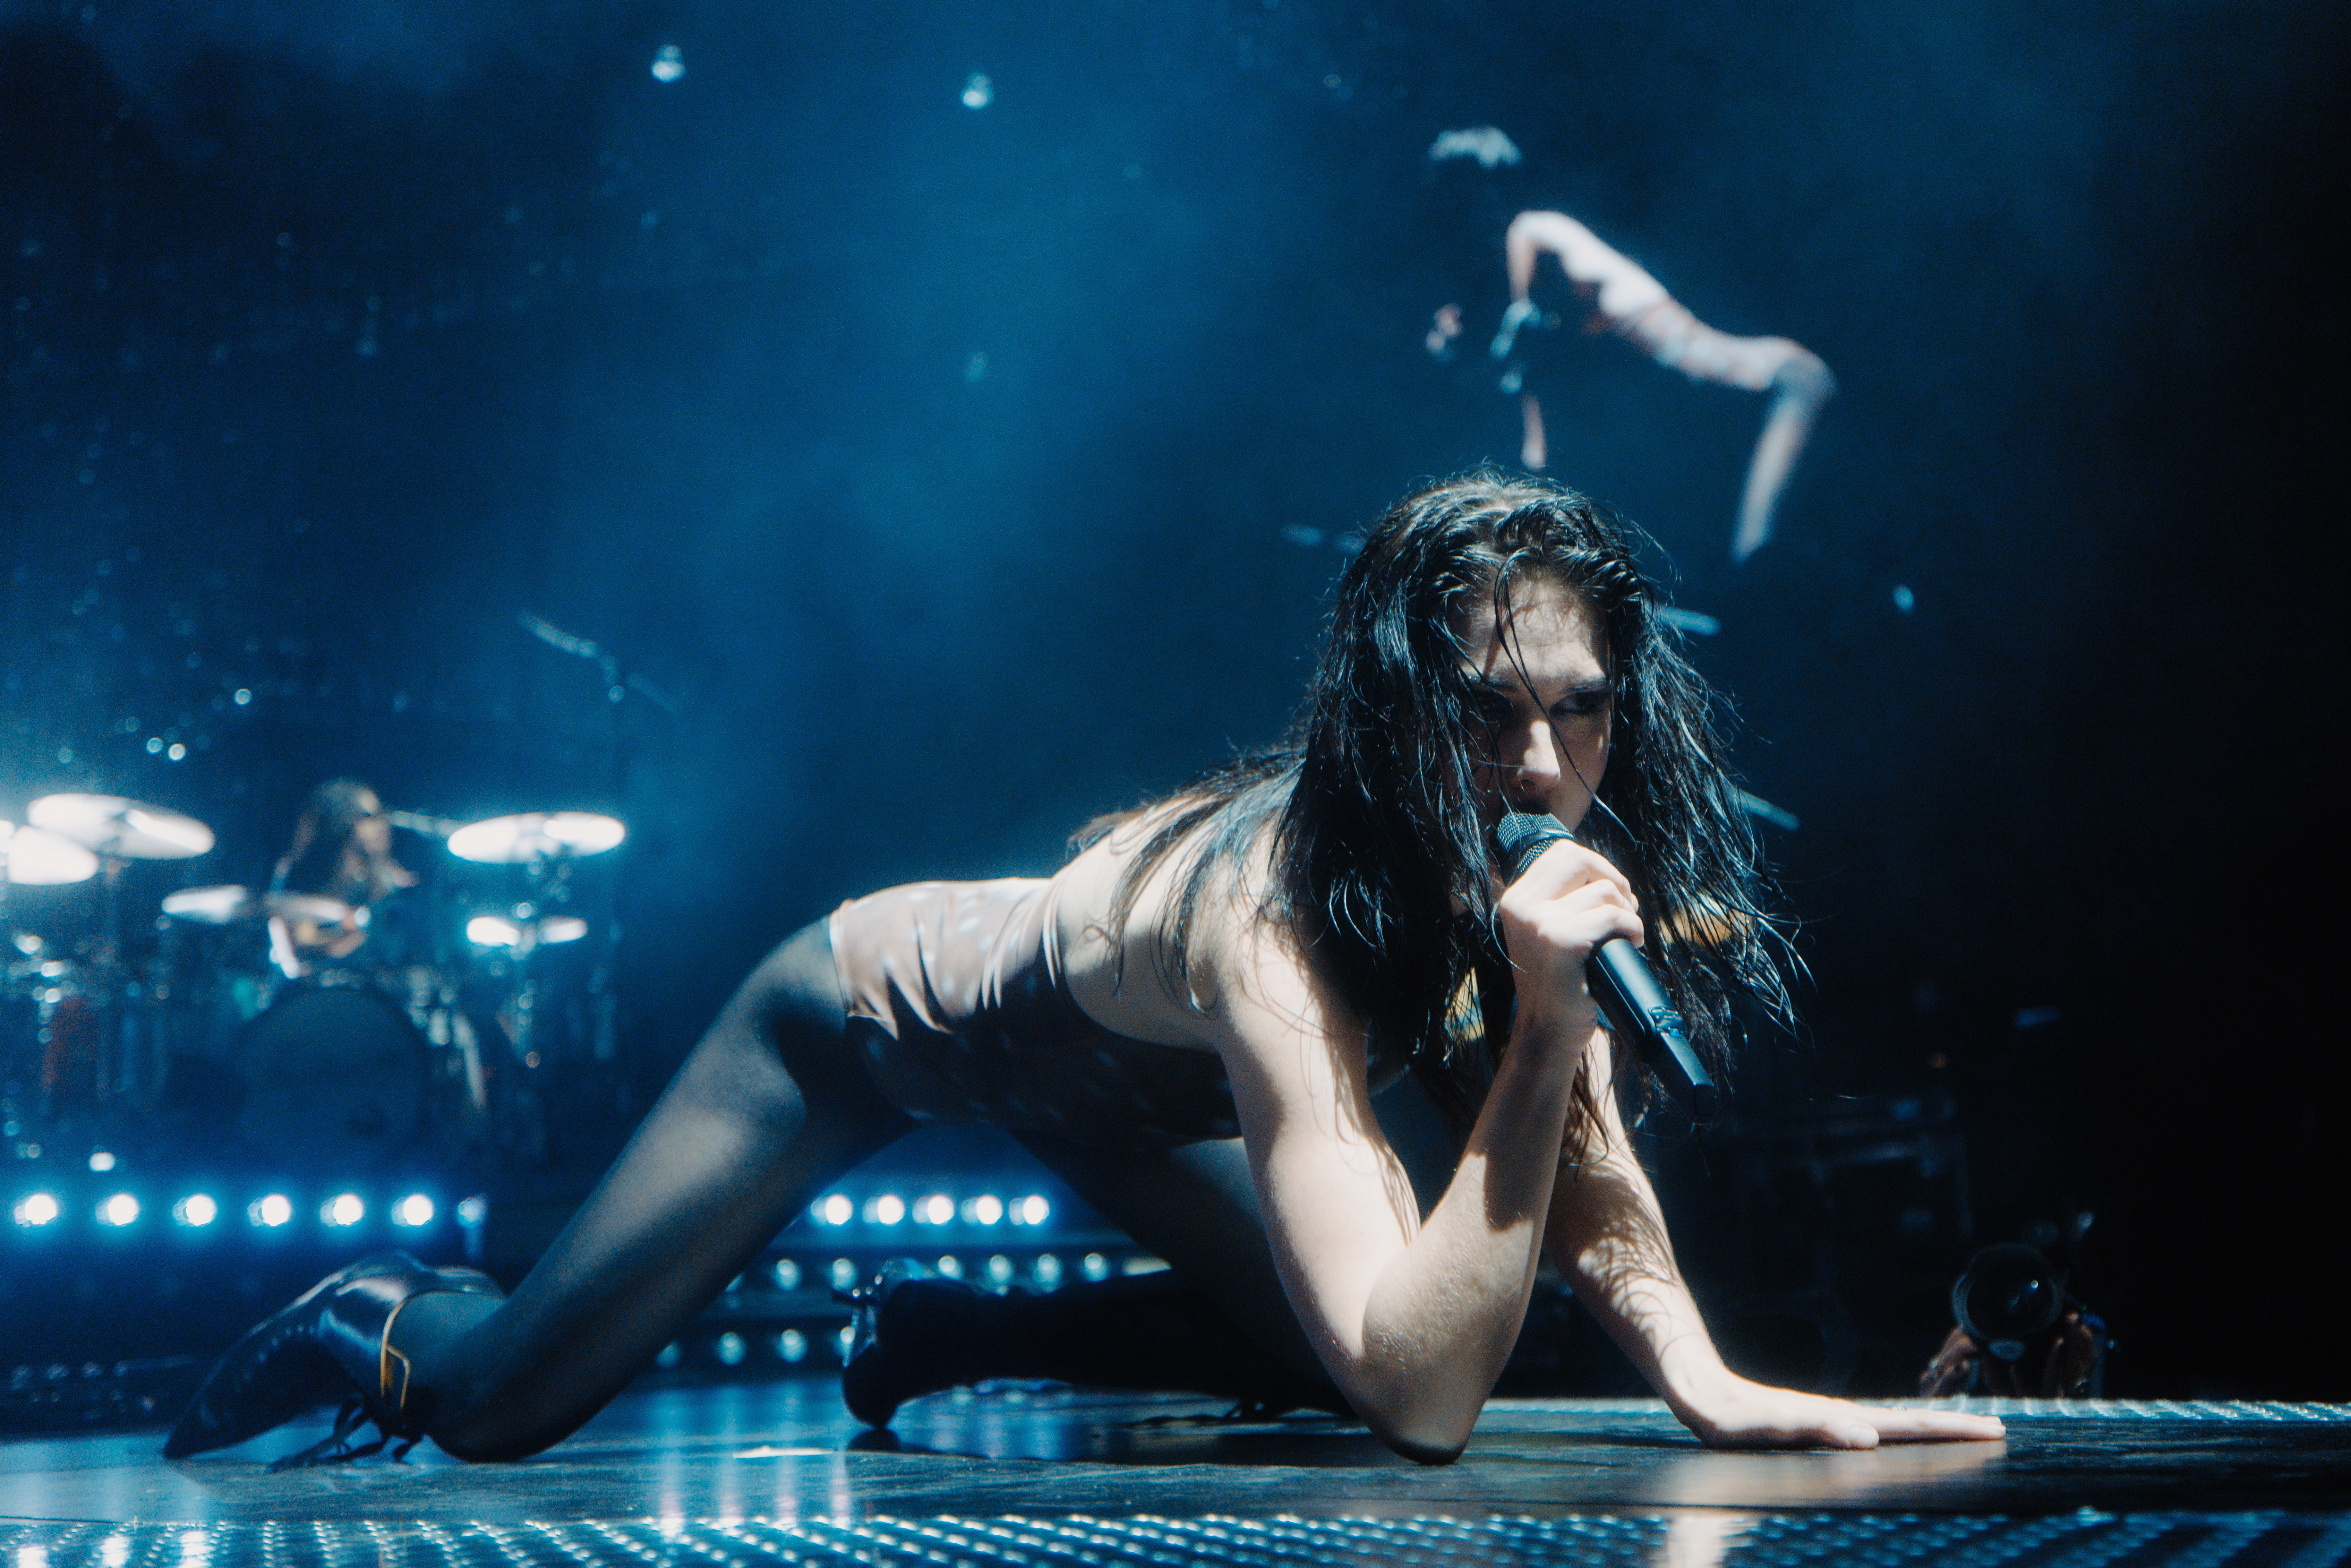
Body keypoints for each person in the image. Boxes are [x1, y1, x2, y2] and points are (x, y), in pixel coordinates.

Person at [166, 472, 2000, 1469]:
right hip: (857, 1028)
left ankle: (952, 1330)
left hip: (1121, 1100)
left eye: (1578, 713)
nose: (1538, 765)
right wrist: (1533, 1034)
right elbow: (1419, 1404)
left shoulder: (1505, 860)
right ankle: (378, 1314)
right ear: (1396, 710)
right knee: (500, 1410)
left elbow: (1575, 1175)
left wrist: (1705, 1373)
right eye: (1485, 712)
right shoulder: (1271, 908)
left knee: (1457, 1292)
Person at [1488, 212, 1836, 563]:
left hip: (1784, 374)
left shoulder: (1558, 249)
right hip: (1772, 376)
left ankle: (1755, 562)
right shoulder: (1568, 312)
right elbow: (1537, 445)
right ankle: (1755, 561)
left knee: (1755, 546)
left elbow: (1526, 229)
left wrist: (1522, 304)